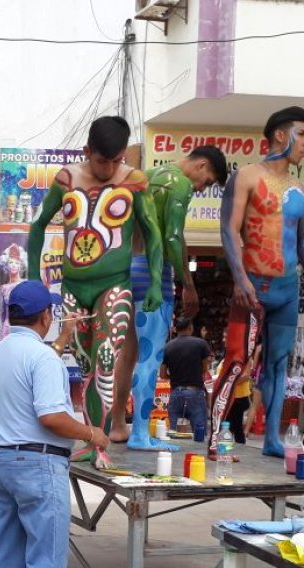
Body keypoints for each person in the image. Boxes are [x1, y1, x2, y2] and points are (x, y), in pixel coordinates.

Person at [28, 116, 165, 467]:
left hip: (113, 285)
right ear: (87, 151)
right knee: (87, 365)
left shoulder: (134, 182)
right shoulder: (67, 180)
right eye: (102, 160)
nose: (109, 168)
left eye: (117, 160)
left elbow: (152, 233)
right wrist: (33, 277)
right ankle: (92, 438)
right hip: (73, 287)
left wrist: (152, 282)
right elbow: (39, 225)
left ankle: (99, 443)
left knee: (106, 362)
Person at [0, 279, 106, 568]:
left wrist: (62, 342)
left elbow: (32, 370)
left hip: (1, 460)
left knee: (8, 555)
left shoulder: (1, 351)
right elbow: (51, 416)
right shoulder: (44, 359)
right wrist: (91, 432)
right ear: (45, 316)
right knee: (45, 562)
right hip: (37, 466)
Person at [210, 106, 304, 458]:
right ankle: (215, 436)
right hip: (253, 286)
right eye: (302, 133)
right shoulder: (246, 176)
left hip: (286, 288)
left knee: (278, 362)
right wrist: (240, 277)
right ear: (281, 134)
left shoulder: (299, 188)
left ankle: (273, 440)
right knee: (235, 359)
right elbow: (229, 229)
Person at [110, 145, 228, 449]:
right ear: (201, 166)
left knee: (129, 354)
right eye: (207, 181)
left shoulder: (147, 176)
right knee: (150, 356)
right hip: (153, 273)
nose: (201, 188)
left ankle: (119, 425)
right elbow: (173, 237)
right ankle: (139, 433)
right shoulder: (180, 184)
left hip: (127, 269)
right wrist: (188, 283)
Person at [162, 317, 213, 442]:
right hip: (195, 392)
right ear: (190, 328)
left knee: (174, 434)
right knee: (199, 435)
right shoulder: (201, 344)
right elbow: (205, 368)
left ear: (176, 329)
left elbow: (163, 374)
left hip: (176, 392)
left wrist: (174, 377)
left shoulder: (168, 347)